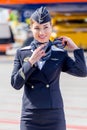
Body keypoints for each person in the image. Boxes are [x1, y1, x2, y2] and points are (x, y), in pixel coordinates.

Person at [11, 6, 87, 130]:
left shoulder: (59, 53)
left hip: (54, 114)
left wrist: (76, 49)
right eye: (37, 28)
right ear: (31, 28)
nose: (42, 33)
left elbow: (82, 71)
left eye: (46, 27)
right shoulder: (22, 53)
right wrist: (30, 62)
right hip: (30, 115)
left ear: (51, 27)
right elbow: (15, 83)